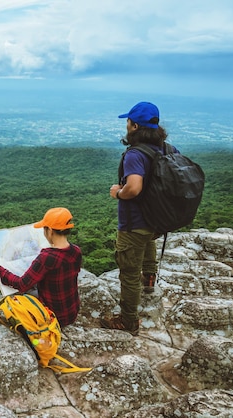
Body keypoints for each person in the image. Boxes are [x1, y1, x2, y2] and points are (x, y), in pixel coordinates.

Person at [100, 101, 177, 336]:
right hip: (157, 219)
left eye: (128, 121)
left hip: (134, 222)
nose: (127, 125)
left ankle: (128, 321)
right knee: (148, 242)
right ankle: (150, 278)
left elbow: (133, 188)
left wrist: (117, 192)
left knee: (129, 272)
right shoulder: (169, 149)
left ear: (134, 125)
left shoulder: (135, 154)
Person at [0, 207, 82, 327]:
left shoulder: (46, 257)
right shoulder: (76, 251)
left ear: (50, 230)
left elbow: (21, 284)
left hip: (53, 316)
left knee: (16, 295)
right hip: (71, 313)